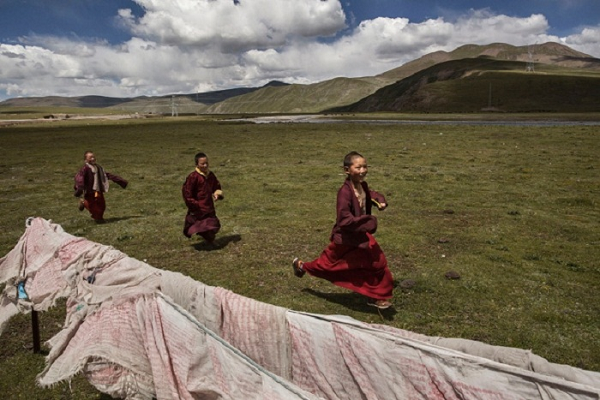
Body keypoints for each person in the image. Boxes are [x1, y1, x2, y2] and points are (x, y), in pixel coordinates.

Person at [293, 151, 394, 309]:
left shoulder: (362, 186)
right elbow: (344, 220)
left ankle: (378, 296)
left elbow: (371, 195)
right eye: (358, 167)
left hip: (360, 235)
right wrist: (369, 222)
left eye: (365, 166)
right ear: (347, 170)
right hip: (345, 238)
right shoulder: (344, 193)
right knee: (327, 265)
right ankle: (302, 266)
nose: (363, 171)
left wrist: (380, 201)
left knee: (377, 262)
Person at [74, 150, 128, 223]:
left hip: (98, 189)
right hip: (89, 191)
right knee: (92, 206)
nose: (93, 159)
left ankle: (99, 217)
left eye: (93, 157)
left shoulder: (99, 168)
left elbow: (106, 175)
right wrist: (79, 188)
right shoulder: (85, 169)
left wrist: (120, 181)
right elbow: (80, 178)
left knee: (102, 205)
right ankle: (97, 217)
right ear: (85, 160)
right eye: (90, 157)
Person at [182, 152, 223, 244]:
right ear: (197, 164)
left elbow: (216, 185)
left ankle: (208, 238)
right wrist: (195, 205)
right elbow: (187, 193)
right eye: (202, 164)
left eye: (206, 163)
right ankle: (210, 241)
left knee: (214, 224)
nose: (205, 165)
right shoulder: (193, 177)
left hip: (208, 205)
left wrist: (217, 193)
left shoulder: (210, 175)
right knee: (202, 225)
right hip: (198, 207)